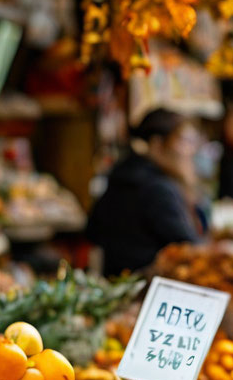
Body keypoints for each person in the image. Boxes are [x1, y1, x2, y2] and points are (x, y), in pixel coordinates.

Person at [87, 108, 205, 276]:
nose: (189, 150)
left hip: (117, 284)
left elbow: (92, 231)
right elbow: (192, 249)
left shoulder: (119, 174)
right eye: (182, 141)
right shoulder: (158, 188)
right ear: (156, 144)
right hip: (149, 290)